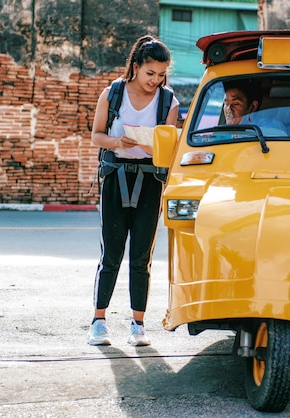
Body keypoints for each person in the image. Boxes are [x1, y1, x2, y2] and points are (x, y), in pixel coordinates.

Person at [88, 35, 179, 346]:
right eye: (150, 73)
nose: (155, 81)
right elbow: (96, 136)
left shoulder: (169, 101)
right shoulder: (112, 94)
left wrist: (157, 146)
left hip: (150, 181)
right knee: (111, 254)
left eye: (161, 75)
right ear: (136, 67)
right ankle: (98, 321)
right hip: (115, 177)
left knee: (142, 257)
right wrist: (119, 142)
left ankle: (137, 325)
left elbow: (169, 146)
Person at [222, 79, 287, 133]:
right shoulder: (221, 133)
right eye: (226, 103)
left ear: (252, 107)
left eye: (236, 104)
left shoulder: (271, 127)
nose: (228, 109)